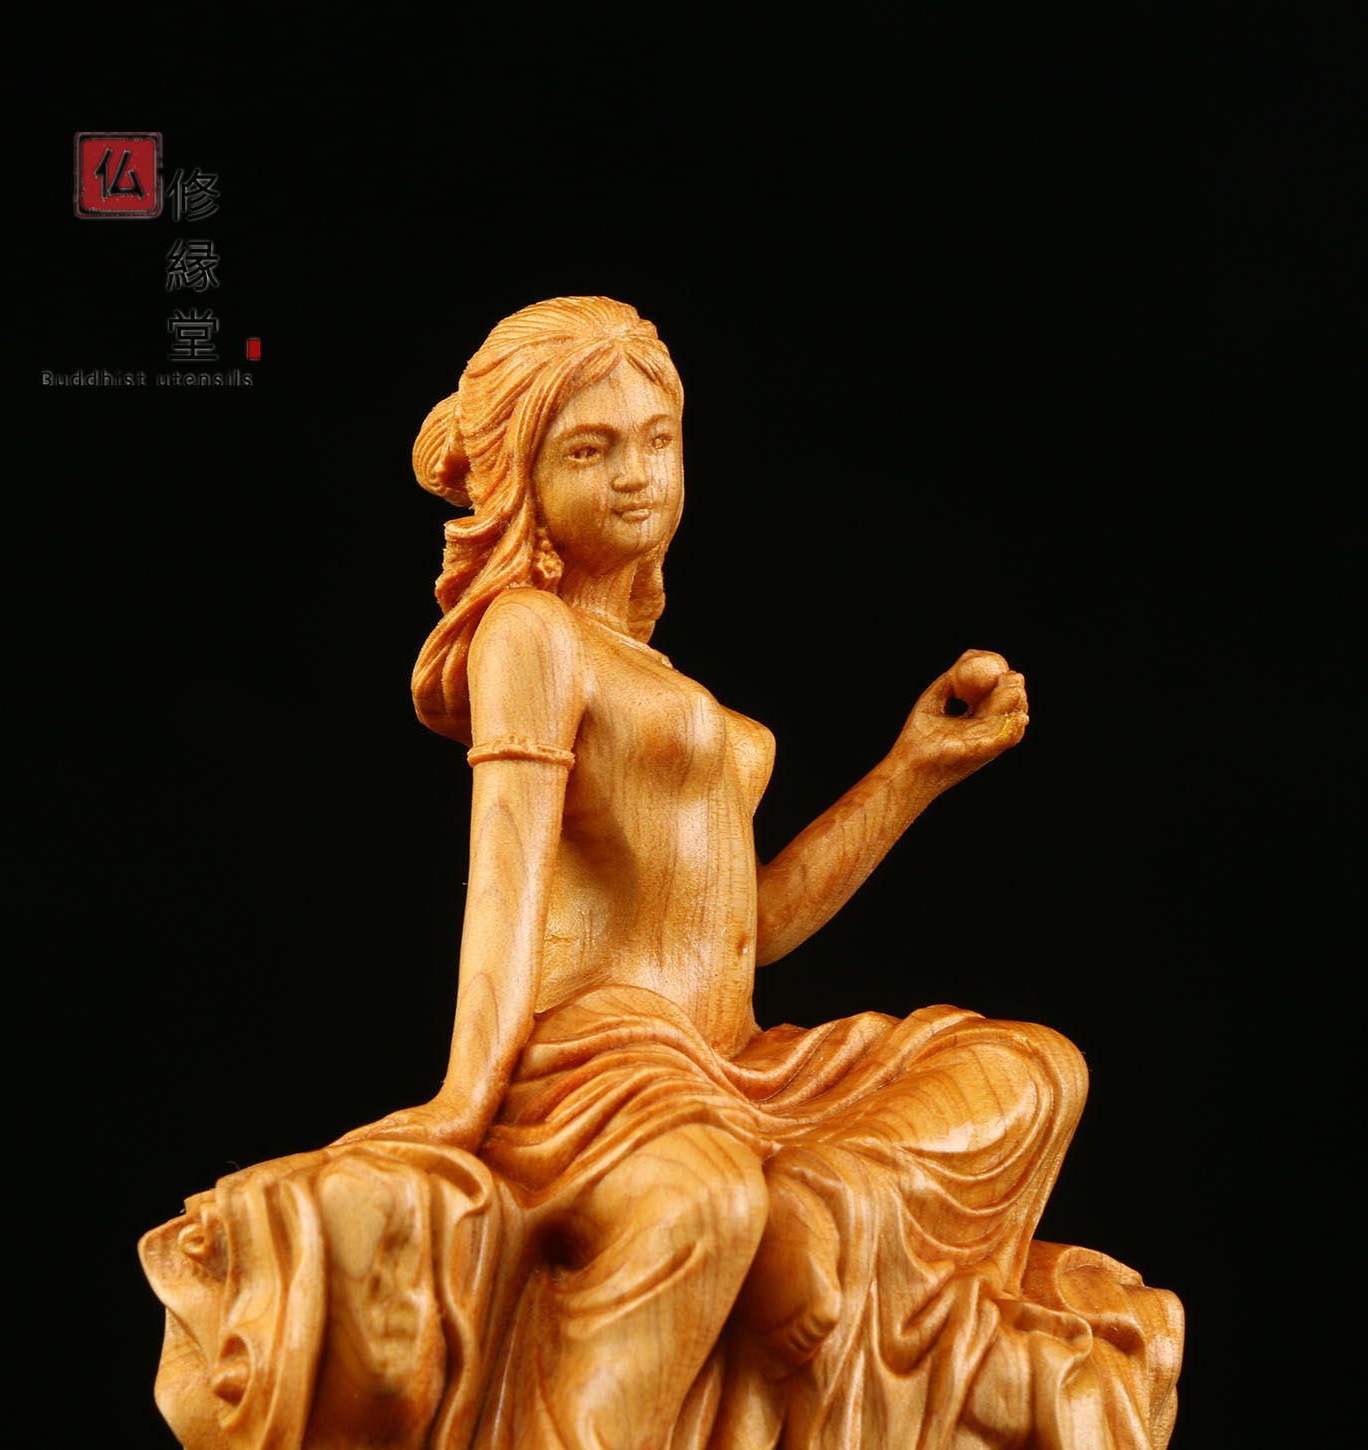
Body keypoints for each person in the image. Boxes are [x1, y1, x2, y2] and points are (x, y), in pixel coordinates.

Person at [140, 297, 1182, 1450]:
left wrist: (910, 771)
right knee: (708, 1197)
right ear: (522, 481)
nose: (636, 474)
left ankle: (817, 1206)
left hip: (739, 1063)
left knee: (1032, 1069)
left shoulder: (653, 668)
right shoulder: (528, 636)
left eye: (657, 440)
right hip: (607, 1068)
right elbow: (506, 881)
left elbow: (752, 925)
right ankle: (757, 1256)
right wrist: (464, 1098)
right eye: (591, 450)